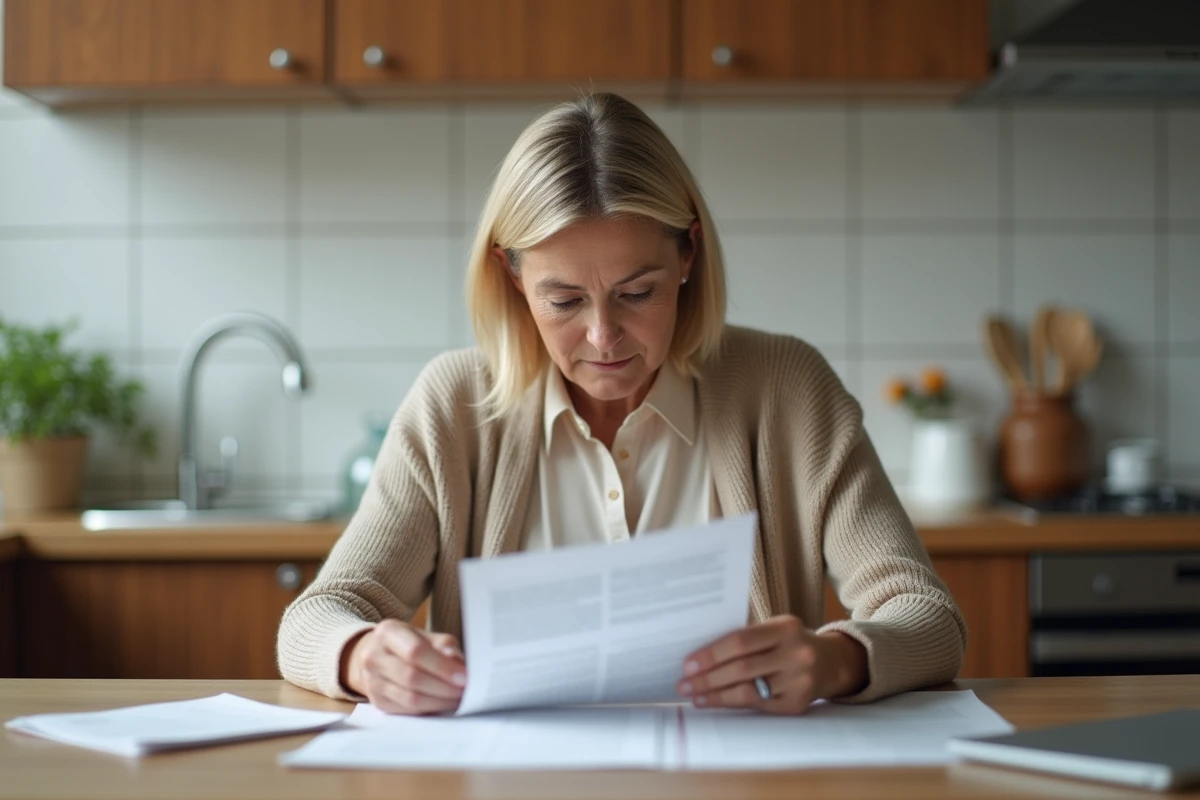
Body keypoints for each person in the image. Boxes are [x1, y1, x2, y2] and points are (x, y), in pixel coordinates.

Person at [277, 93, 965, 717]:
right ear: (509, 275)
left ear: (690, 254)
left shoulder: (788, 389)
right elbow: (319, 614)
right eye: (565, 300)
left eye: (637, 293)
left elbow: (928, 618)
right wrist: (362, 657)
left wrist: (836, 660)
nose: (603, 337)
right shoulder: (454, 406)